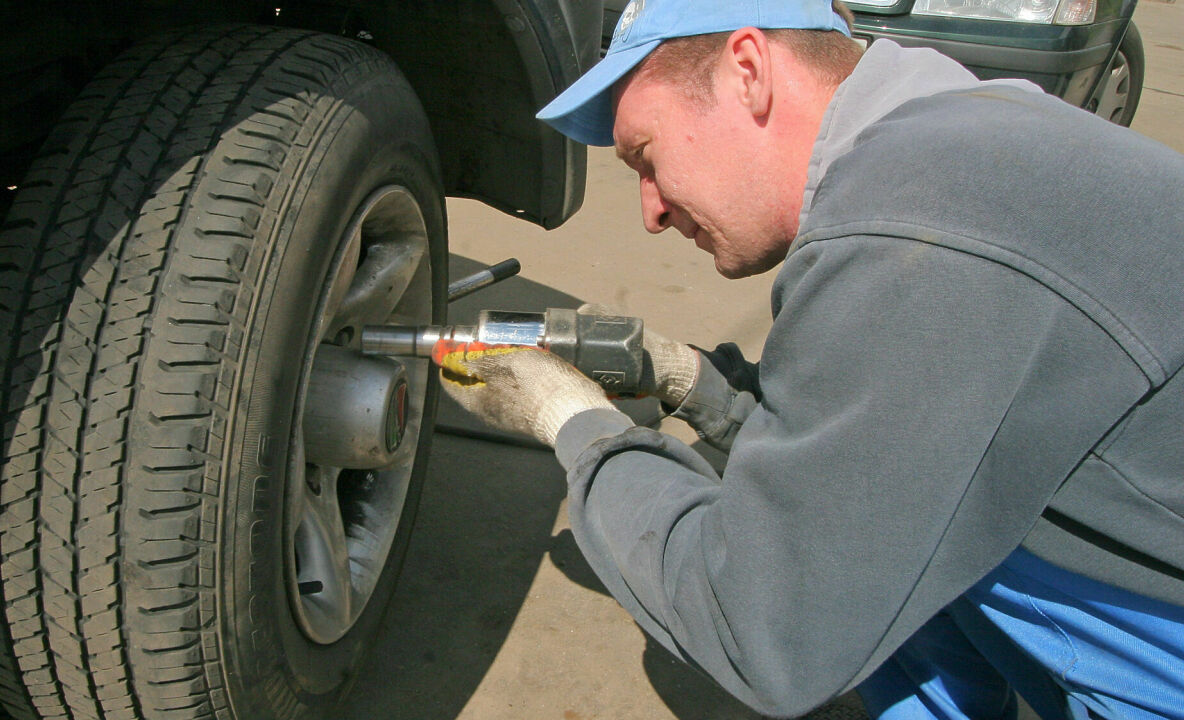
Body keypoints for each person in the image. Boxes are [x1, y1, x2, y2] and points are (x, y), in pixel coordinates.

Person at [433, 0, 1184, 717]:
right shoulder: (953, 137)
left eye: (646, 156)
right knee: (876, 515)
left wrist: (576, 424)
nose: (650, 211)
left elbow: (760, 633)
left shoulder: (912, 232)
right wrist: (695, 385)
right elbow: (861, 449)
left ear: (749, 70)